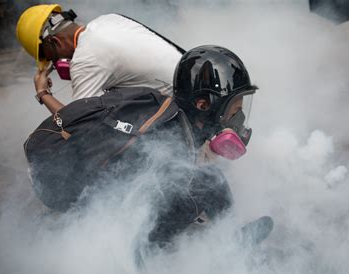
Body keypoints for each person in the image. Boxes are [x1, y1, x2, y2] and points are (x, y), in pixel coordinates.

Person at [24, 45, 259, 247]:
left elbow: (79, 124)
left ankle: (230, 239)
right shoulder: (167, 135)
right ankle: (146, 256)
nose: (238, 121)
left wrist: (43, 94)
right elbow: (128, 200)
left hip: (105, 201)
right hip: (103, 214)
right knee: (207, 183)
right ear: (203, 104)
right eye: (234, 111)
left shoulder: (167, 112)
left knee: (202, 180)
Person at [16, 4, 183, 114]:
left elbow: (78, 124)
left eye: (49, 56)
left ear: (55, 41)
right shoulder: (108, 20)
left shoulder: (86, 59)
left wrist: (43, 93)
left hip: (183, 115)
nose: (53, 63)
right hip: (195, 91)